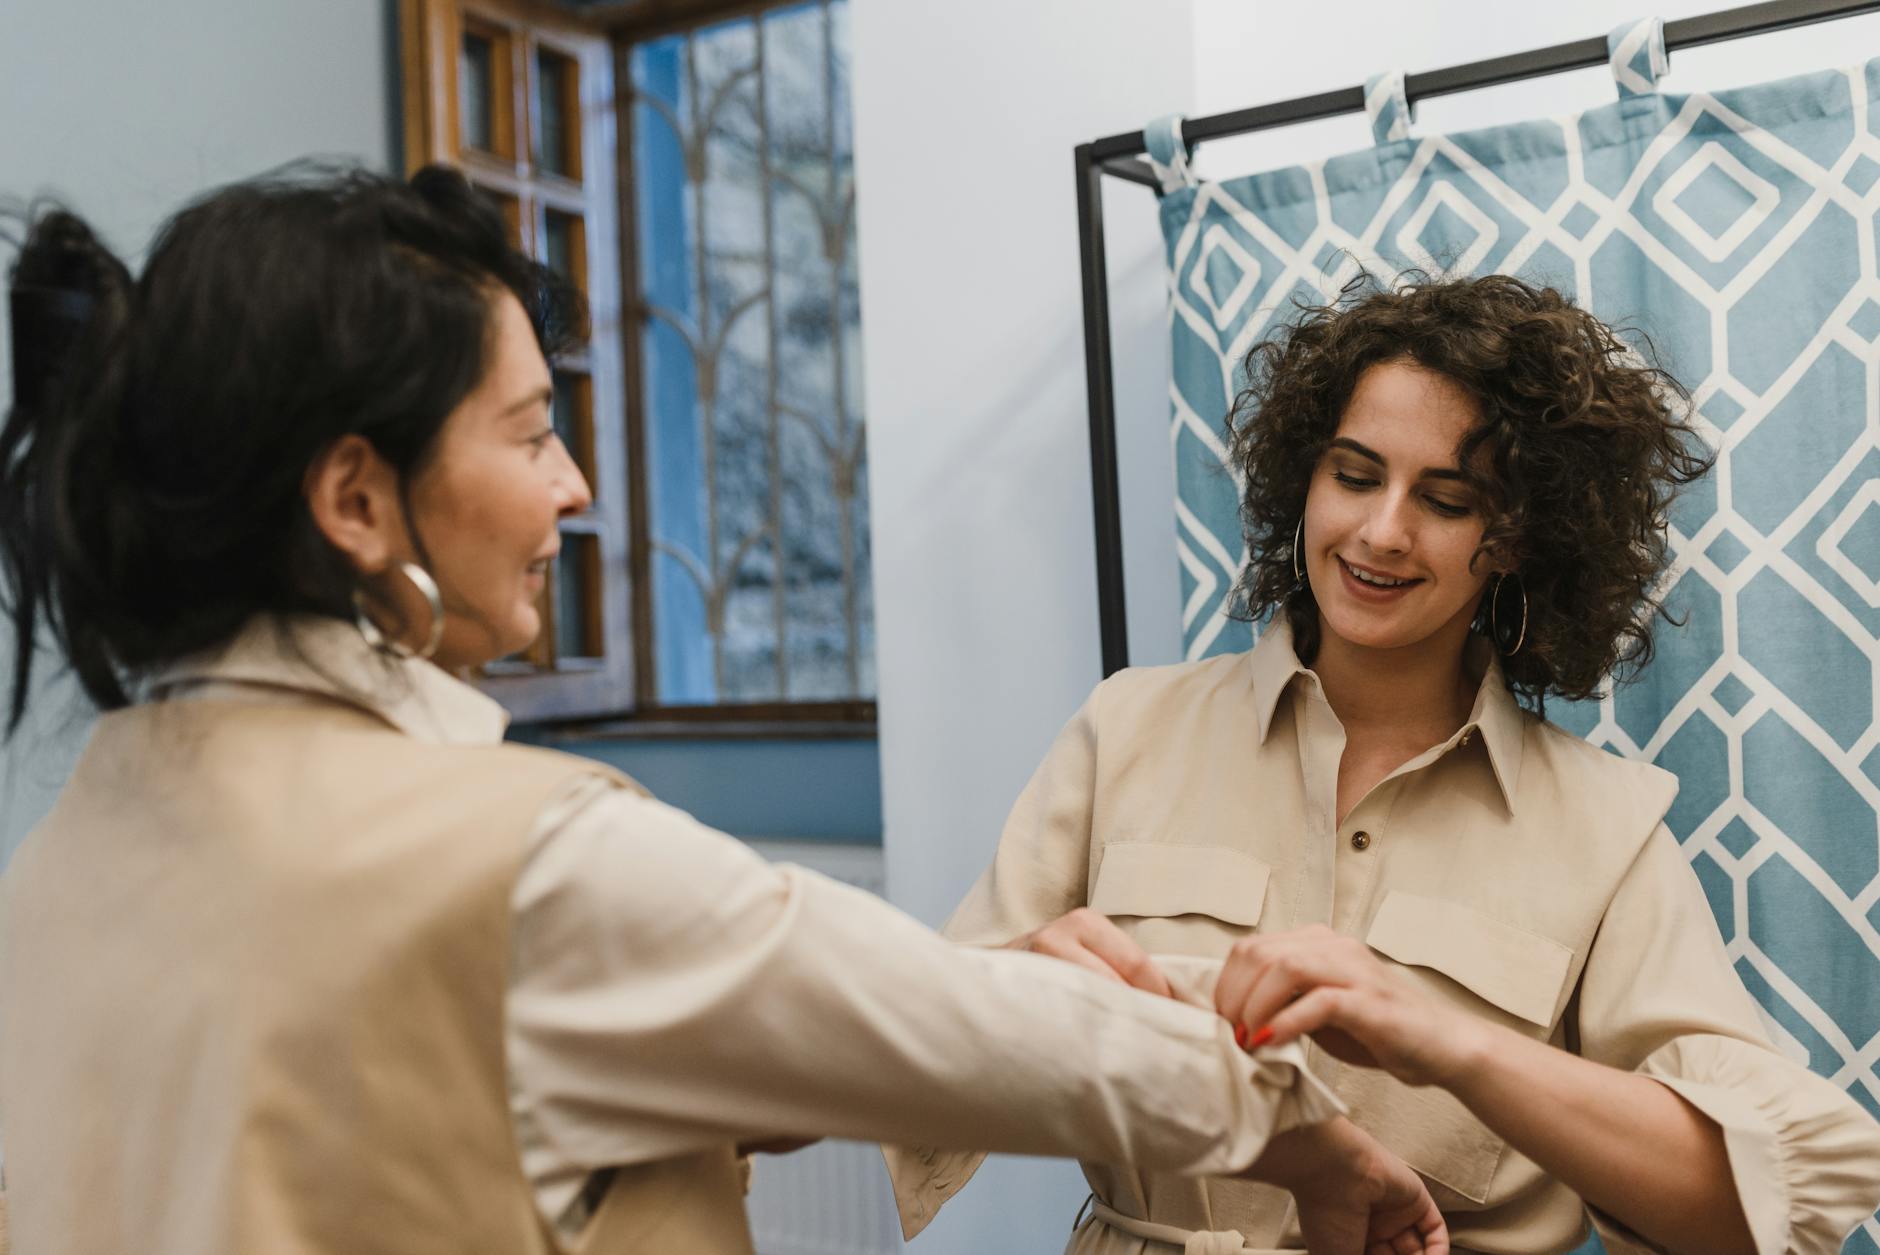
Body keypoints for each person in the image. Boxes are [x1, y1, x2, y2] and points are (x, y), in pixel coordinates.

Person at [0, 168, 1454, 1255]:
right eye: (532, 432)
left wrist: (949, 992)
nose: (573, 487)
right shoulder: (521, 859)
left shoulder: (65, 851)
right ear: (358, 500)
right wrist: (1299, 1134)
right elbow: (993, 1036)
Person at [885, 274, 1880, 1254]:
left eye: (1443, 499)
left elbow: (1747, 1208)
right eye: (1353, 475)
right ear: (1303, 481)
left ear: (1512, 538)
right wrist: (1026, 993)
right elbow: (909, 1066)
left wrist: (1448, 1041)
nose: (1380, 530)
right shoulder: (1125, 727)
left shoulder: (1605, 824)